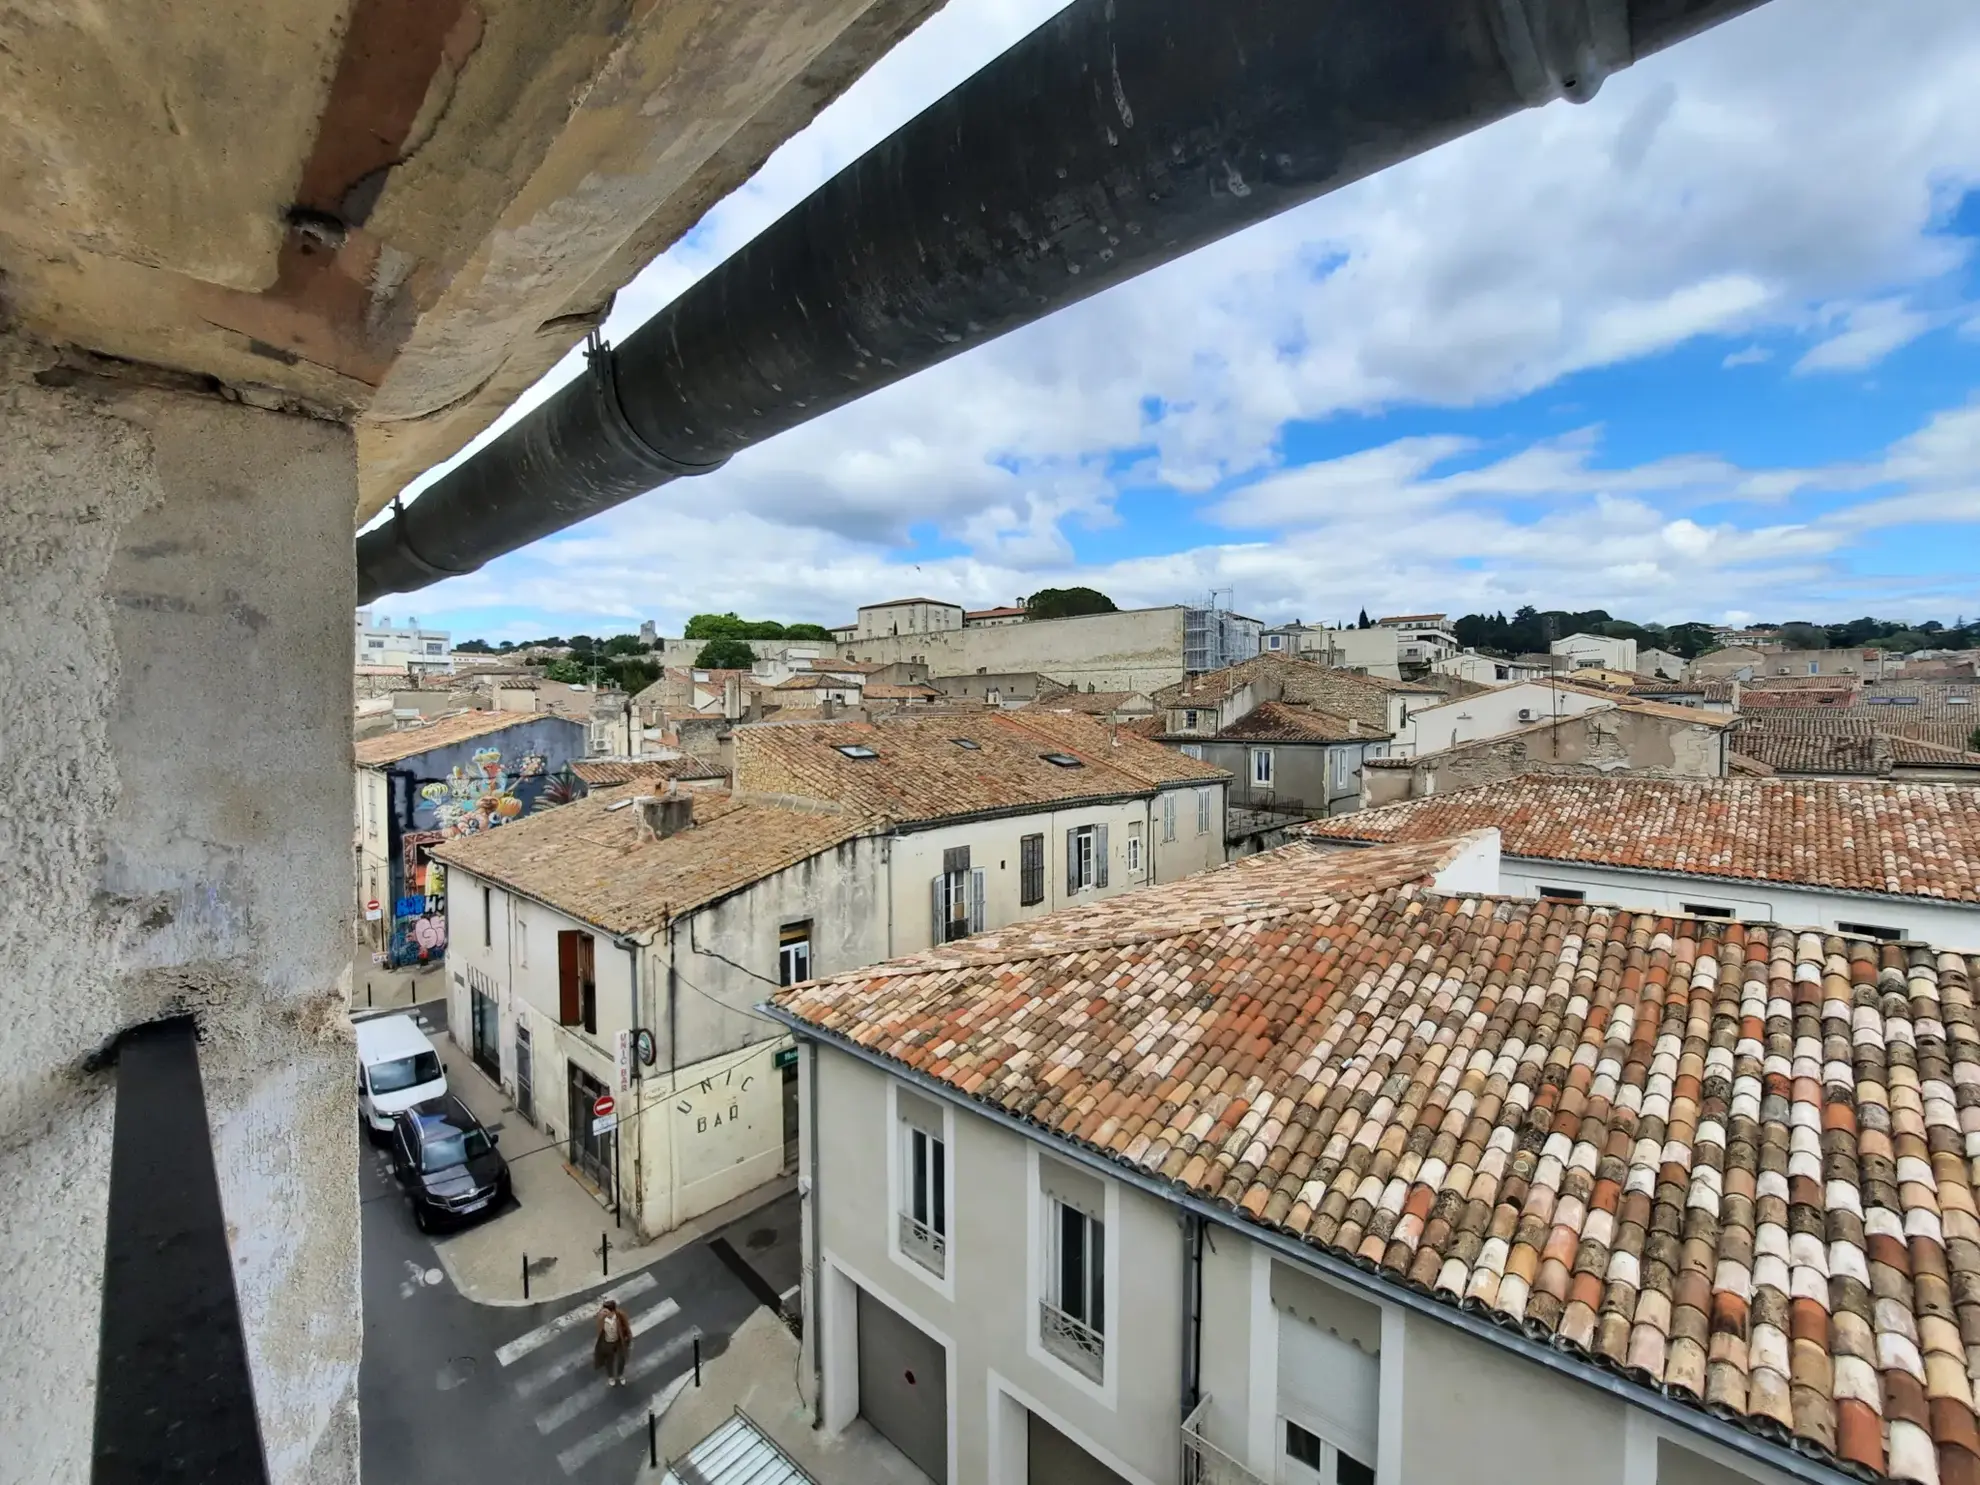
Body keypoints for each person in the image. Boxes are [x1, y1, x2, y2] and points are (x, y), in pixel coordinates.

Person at [594, 1297, 634, 1387]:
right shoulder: (602, 1318)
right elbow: (599, 1330)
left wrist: (629, 1340)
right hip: (608, 1342)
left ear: (612, 1311)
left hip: (619, 1342)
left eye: (606, 1311)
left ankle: (620, 1375)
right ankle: (611, 1377)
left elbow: (627, 1328)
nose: (603, 1312)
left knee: (621, 1360)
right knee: (609, 1361)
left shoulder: (621, 1316)